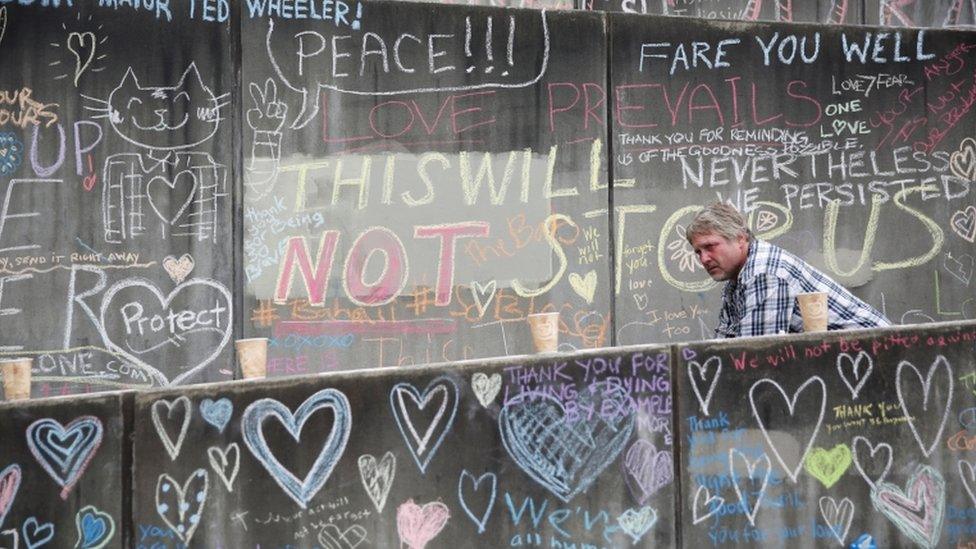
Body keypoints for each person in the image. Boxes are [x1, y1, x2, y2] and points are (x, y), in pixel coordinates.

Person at [686, 202, 890, 338]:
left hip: (882, 356)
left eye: (710, 246)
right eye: (698, 252)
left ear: (741, 239)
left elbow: (751, 357)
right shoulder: (735, 281)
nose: (704, 259)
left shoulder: (763, 273)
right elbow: (723, 345)